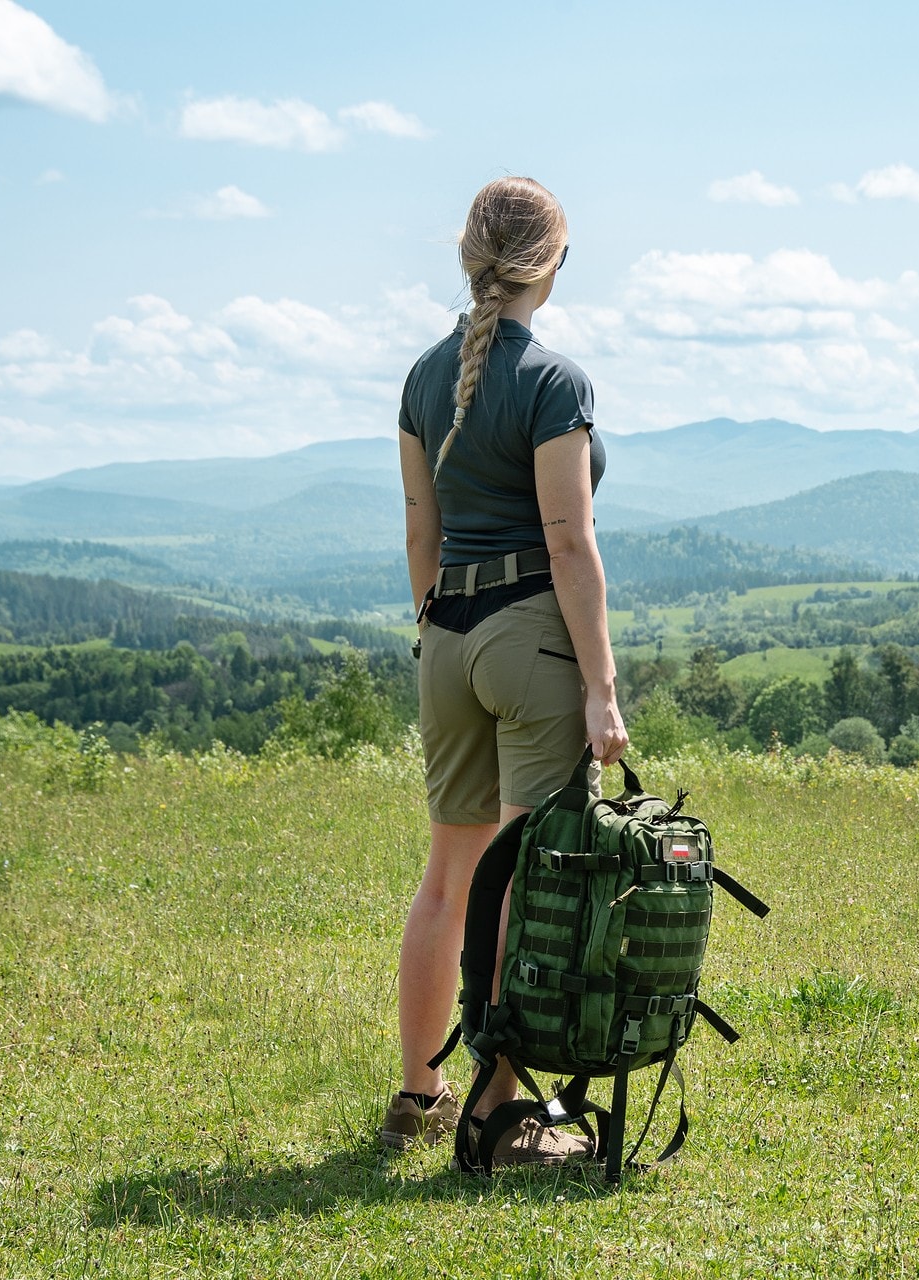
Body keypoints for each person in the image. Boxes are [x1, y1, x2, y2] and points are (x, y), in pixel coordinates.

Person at [380, 176, 629, 1166]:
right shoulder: (555, 382)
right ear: (553, 263)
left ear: (468, 257)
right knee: (524, 884)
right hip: (530, 636)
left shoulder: (419, 378)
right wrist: (602, 686)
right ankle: (498, 1114)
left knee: (448, 877)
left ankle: (419, 1091)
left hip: (444, 634)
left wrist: (436, 632)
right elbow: (570, 543)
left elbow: (418, 531)